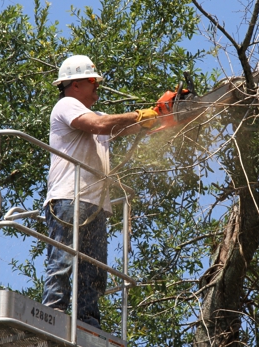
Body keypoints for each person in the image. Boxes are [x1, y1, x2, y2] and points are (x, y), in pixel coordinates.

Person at [42, 55, 169, 328]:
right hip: (68, 198)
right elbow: (100, 125)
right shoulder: (66, 105)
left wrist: (159, 114)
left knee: (93, 270)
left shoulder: (98, 116)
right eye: (92, 82)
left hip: (96, 204)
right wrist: (138, 115)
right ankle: (53, 316)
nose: (97, 88)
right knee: (63, 261)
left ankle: (88, 322)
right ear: (75, 84)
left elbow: (124, 126)